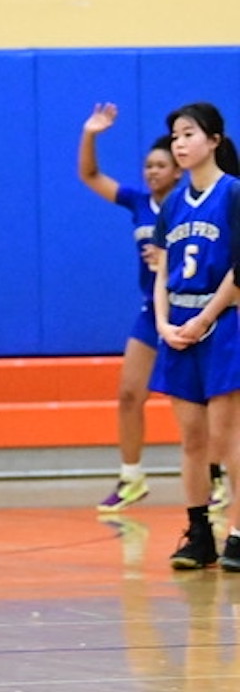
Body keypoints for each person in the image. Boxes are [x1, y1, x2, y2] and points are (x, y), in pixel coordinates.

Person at [78, 103, 207, 513]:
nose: (151, 171)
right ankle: (131, 476)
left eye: (159, 165)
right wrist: (91, 134)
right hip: (152, 313)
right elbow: (90, 175)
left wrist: (167, 259)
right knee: (130, 393)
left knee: (201, 404)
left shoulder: (195, 202)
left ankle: (216, 477)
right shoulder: (137, 202)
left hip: (192, 310)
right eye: (147, 165)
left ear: (177, 171)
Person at [141, 103, 240, 572]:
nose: (179, 143)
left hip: (222, 326)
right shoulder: (175, 203)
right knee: (192, 441)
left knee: (229, 439)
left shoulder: (234, 194)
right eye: (174, 136)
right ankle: (199, 533)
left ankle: (237, 533)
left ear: (214, 141)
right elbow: (161, 271)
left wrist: (205, 320)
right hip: (178, 329)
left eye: (188, 134)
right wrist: (163, 323)